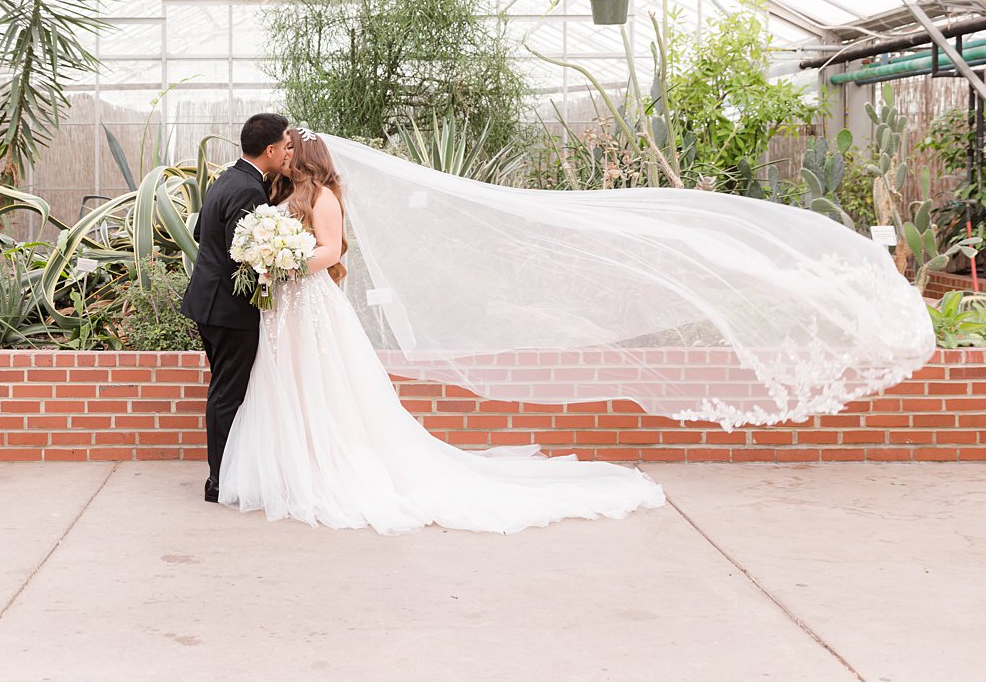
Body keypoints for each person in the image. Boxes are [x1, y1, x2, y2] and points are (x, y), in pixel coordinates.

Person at [216, 126, 667, 534]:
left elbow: (331, 251)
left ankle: (325, 466)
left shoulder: (325, 198)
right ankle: (293, 465)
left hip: (309, 300)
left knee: (320, 381)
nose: (287, 154)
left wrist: (287, 263)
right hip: (284, 306)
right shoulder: (281, 193)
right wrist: (270, 262)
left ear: (309, 155)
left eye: (294, 148)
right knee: (287, 379)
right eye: (286, 148)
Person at [180, 112, 293, 504]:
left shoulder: (226, 178)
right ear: (271, 149)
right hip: (230, 309)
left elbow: (200, 232)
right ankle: (220, 480)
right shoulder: (249, 190)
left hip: (208, 303)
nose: (288, 152)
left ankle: (223, 474)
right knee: (228, 394)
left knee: (222, 391)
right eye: (286, 145)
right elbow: (242, 254)